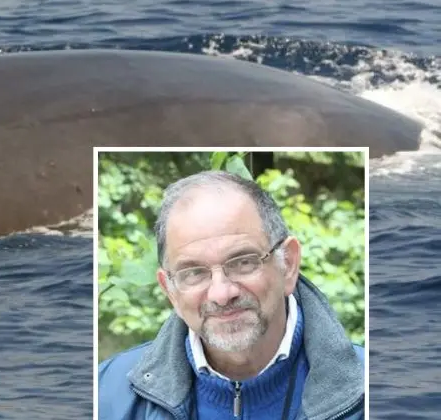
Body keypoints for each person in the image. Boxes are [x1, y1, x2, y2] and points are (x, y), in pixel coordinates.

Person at [97, 170, 364, 420]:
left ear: (289, 264)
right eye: (193, 273)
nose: (222, 293)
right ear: (170, 290)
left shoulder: (369, 391)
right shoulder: (107, 395)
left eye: (243, 262)